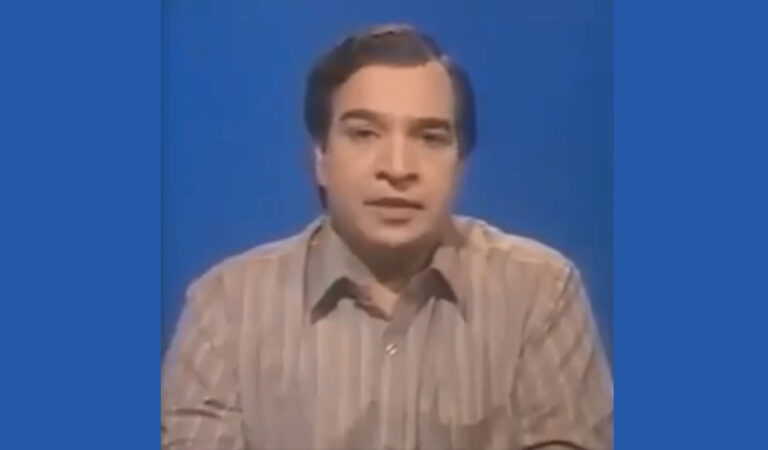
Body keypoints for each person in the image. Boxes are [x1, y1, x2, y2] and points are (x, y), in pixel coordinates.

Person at [161, 23, 613, 450]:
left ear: (460, 164)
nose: (398, 168)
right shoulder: (226, 309)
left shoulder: (540, 293)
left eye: (430, 138)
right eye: (364, 134)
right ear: (321, 158)